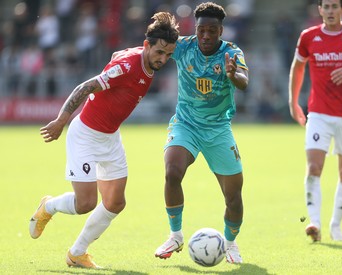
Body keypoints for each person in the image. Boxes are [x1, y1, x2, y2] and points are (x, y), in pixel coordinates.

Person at [29, 12, 179, 269]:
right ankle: (49, 206)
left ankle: (77, 252)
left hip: (110, 138)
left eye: (168, 55)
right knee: (85, 203)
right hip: (85, 135)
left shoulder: (142, 58)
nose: (163, 59)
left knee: (115, 203)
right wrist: (60, 121)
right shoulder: (128, 66)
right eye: (159, 53)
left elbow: (116, 55)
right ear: (147, 46)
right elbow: (83, 88)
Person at [154, 2, 249, 264]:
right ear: (195, 29)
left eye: (212, 31)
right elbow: (154, 49)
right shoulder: (183, 46)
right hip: (186, 124)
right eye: (201, 30)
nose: (205, 36)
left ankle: (230, 243)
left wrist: (233, 75)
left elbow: (243, 81)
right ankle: (175, 235)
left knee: (233, 196)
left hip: (218, 129)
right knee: (172, 172)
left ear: (221, 30)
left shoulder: (231, 52)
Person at [288, 0, 342, 242]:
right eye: (325, 7)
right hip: (318, 113)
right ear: (319, 10)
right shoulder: (309, 36)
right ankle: (314, 223)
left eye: (334, 7)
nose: (329, 11)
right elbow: (298, 67)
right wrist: (293, 102)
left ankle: (335, 225)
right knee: (314, 167)